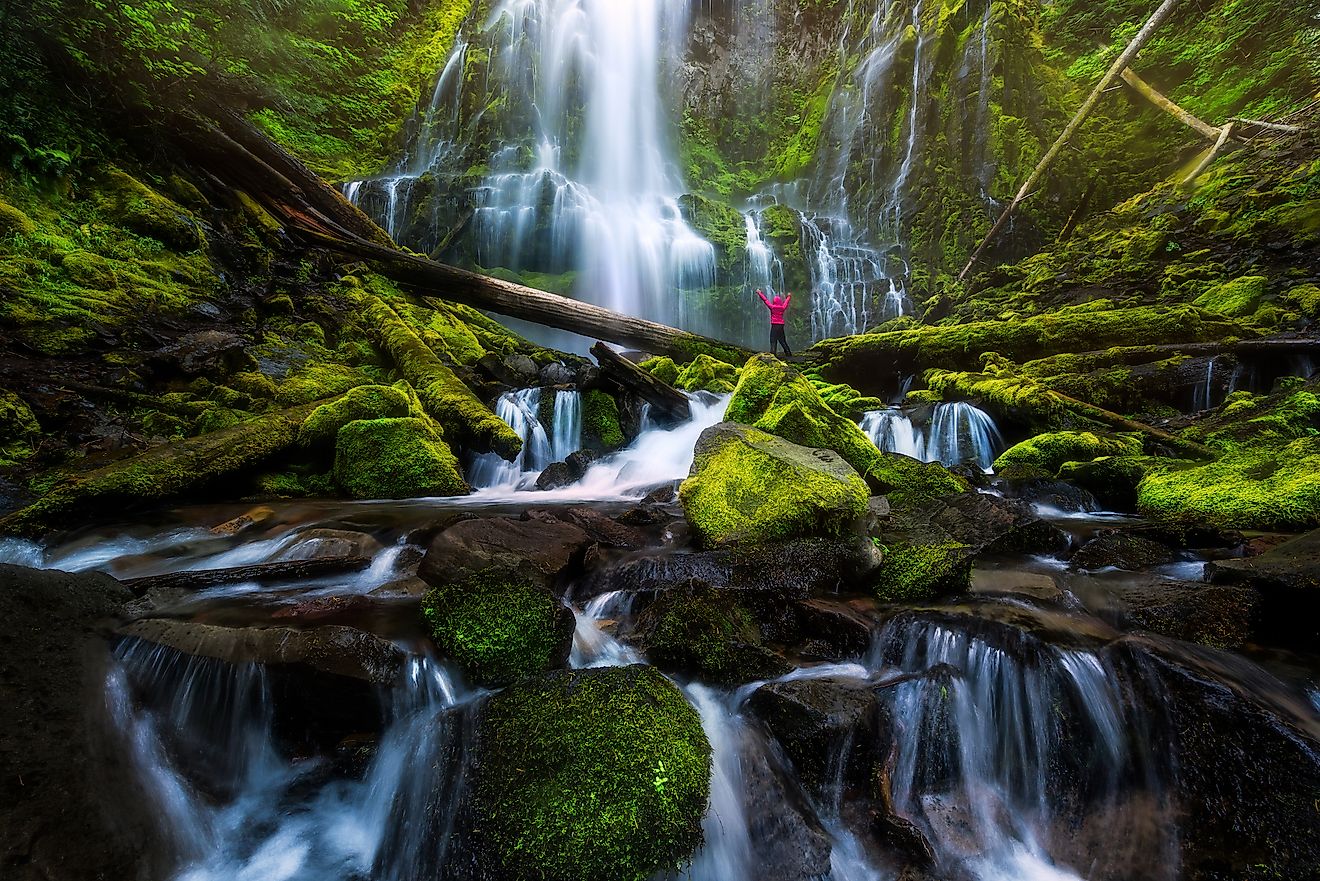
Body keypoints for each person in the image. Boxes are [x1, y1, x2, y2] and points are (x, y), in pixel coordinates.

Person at [756, 288, 793, 357]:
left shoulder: (772, 307)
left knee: (773, 339)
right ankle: (788, 353)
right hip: (781, 325)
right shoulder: (782, 308)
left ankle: (773, 354)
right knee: (782, 340)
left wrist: (759, 293)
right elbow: (786, 302)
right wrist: (789, 296)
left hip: (775, 325)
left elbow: (765, 300)